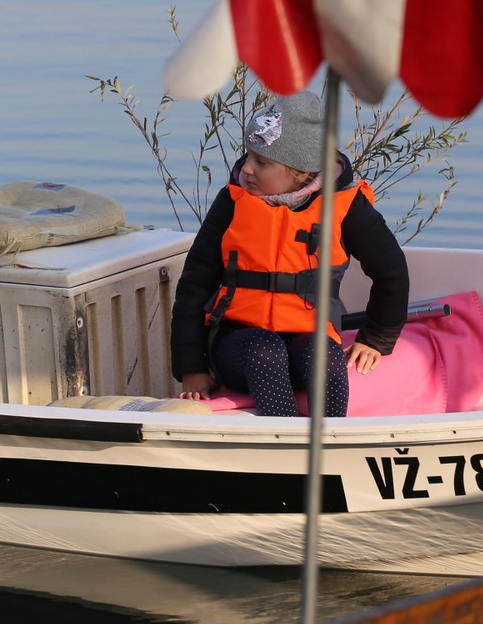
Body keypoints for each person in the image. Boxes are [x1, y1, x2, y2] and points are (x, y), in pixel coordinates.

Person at [169, 91, 408, 417]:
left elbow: (391, 272)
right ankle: (284, 445)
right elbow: (194, 284)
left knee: (322, 356)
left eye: (262, 162)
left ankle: (328, 446)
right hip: (237, 343)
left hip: (309, 337)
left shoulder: (345, 208)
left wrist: (376, 339)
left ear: (301, 172)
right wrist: (191, 368)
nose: (247, 169)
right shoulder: (233, 201)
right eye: (249, 156)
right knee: (263, 350)